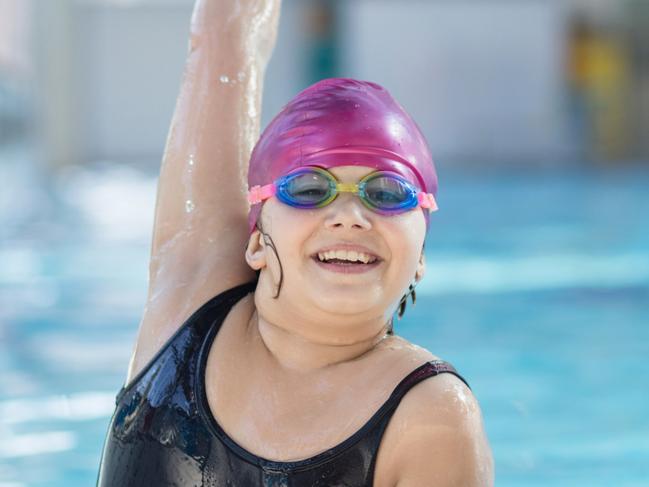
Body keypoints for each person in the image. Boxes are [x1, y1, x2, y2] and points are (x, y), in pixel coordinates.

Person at [96, 0, 493, 485]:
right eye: (309, 189)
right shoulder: (189, 294)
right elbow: (224, 34)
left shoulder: (431, 417)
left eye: (386, 193)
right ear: (257, 240)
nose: (350, 216)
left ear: (421, 257)